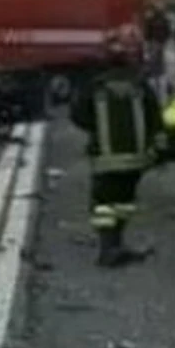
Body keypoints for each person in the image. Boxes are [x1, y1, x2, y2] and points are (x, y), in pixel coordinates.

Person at [70, 65, 160, 267]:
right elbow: (155, 117)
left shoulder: (95, 87)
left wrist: (96, 128)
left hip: (105, 158)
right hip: (135, 159)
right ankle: (116, 244)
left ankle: (108, 248)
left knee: (103, 204)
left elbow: (77, 115)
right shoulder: (140, 86)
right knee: (123, 201)